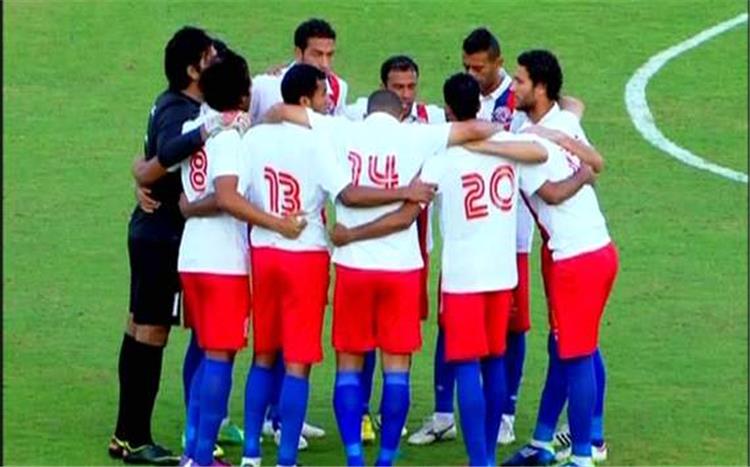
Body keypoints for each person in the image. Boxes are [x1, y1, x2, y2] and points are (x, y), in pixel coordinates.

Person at [237, 64, 437, 467]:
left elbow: (236, 193)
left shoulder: (254, 137)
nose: (330, 101)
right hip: (307, 253)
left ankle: (252, 455)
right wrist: (403, 191)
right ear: (306, 100)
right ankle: (291, 459)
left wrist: (271, 221)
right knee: (300, 362)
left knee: (263, 354)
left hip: (264, 251)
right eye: (323, 95)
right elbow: (347, 193)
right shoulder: (322, 141)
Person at [110, 26, 242, 466]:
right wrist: (207, 130)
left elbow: (147, 163)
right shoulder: (182, 112)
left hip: (152, 231)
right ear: (192, 70)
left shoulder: (172, 103)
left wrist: (141, 173)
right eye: (209, 56)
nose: (216, 60)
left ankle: (126, 434)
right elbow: (161, 156)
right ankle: (134, 438)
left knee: (139, 329)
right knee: (150, 333)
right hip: (163, 235)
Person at [177, 49, 306, 467]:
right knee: (220, 356)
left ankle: (193, 451)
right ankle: (201, 457)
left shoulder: (195, 127)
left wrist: (189, 206)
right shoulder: (231, 139)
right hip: (223, 263)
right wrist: (276, 222)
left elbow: (190, 190)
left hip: (191, 257)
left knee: (206, 350)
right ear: (243, 93)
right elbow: (228, 197)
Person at [501, 49, 617, 467]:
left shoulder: (533, 143)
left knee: (577, 354)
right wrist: (582, 163)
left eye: (520, 81)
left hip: (575, 260)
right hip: (598, 251)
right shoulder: (562, 120)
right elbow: (575, 108)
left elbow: (551, 194)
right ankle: (544, 440)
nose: (513, 87)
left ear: (541, 88)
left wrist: (581, 172)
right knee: (569, 346)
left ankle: (585, 452)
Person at [346, 54, 445, 444]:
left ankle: (387, 416)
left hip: (415, 246)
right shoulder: (358, 116)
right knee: (363, 339)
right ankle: (363, 412)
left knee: (399, 338)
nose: (405, 94)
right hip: (369, 249)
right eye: (397, 87)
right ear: (383, 88)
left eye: (411, 86)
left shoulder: (431, 120)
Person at [251, 18, 348, 123]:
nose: (325, 64)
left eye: (329, 55)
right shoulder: (263, 86)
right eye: (317, 54)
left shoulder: (338, 88)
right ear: (298, 53)